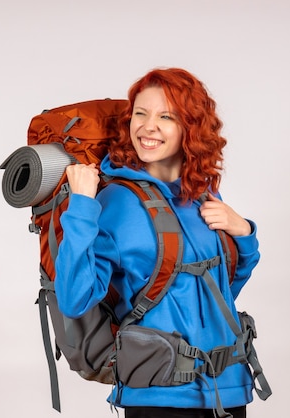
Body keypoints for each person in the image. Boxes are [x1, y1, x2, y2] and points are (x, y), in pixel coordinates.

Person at [54, 68, 260, 418]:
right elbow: (74, 299)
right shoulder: (114, 203)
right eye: (140, 113)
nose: (148, 127)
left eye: (166, 116)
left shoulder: (203, 193)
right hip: (159, 399)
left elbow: (224, 289)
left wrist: (244, 233)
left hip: (228, 390)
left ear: (191, 128)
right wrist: (82, 207)